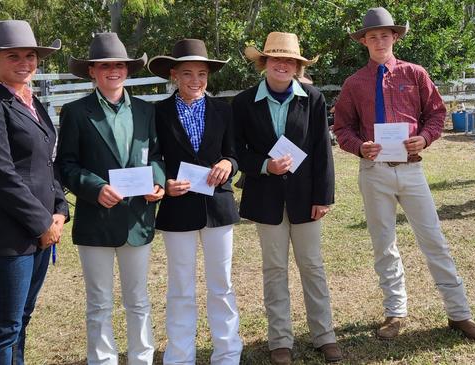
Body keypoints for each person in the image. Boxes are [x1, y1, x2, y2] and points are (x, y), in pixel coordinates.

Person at [333, 7, 475, 343]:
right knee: (384, 244)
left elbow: (436, 113)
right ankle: (395, 312)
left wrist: (426, 136)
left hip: (412, 170)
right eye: (372, 36)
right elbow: (342, 127)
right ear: (364, 42)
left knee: (434, 240)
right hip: (374, 171)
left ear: (395, 37)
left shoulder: (415, 74)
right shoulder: (353, 83)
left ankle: (459, 313)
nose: (379, 41)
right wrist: (360, 147)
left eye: (384, 35)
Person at [0, 20, 68, 364]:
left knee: (20, 320)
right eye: (14, 56)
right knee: (4, 326)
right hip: (3, 234)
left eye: (30, 55)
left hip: (37, 232)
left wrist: (61, 210)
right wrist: (42, 223)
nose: (24, 62)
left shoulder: (30, 102)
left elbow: (46, 162)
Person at [232, 32, 342, 365]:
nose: (283, 65)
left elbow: (322, 150)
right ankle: (280, 339)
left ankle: (324, 335)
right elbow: (236, 151)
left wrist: (323, 196)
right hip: (266, 198)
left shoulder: (313, 98)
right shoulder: (243, 102)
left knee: (312, 266)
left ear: (297, 65)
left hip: (306, 198)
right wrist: (265, 165)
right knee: (274, 269)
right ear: (264, 63)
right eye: (276, 59)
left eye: (290, 60)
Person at [56, 33, 165, 364]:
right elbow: (66, 164)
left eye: (119, 65)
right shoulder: (75, 112)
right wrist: (93, 187)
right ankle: (102, 360)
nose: (113, 71)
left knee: (138, 298)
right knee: (99, 301)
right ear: (92, 71)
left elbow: (157, 155)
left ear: (128, 70)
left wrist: (157, 182)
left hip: (137, 218)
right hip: (96, 220)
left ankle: (141, 358)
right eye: (105, 66)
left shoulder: (147, 111)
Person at [147, 38, 243, 365]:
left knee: (222, 285)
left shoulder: (222, 110)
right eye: (187, 74)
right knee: (180, 287)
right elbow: (154, 156)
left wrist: (228, 164)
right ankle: (179, 356)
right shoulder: (157, 113)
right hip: (178, 208)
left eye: (201, 74)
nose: (195, 81)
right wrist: (163, 181)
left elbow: (233, 153)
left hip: (218, 207)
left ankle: (228, 354)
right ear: (174, 75)